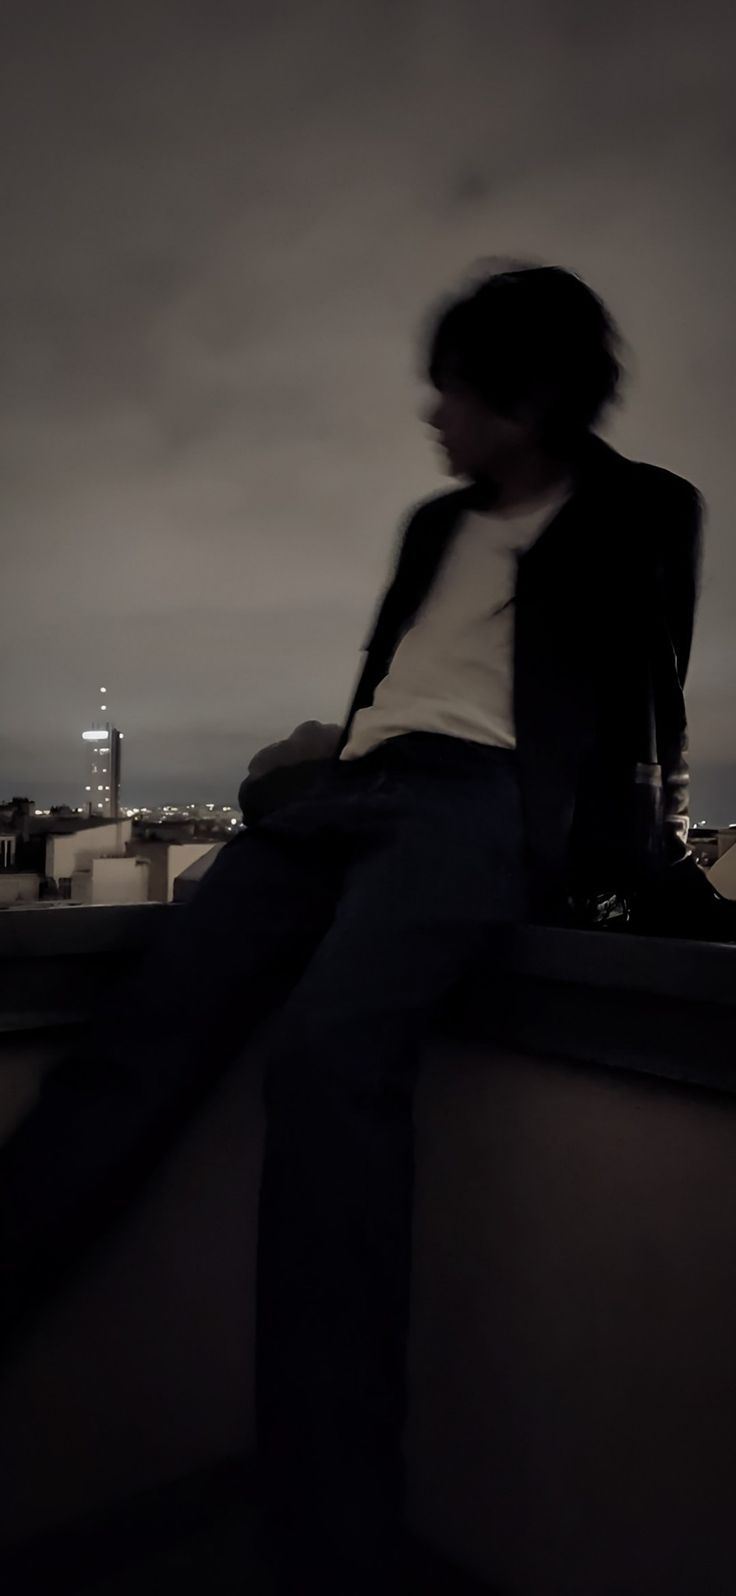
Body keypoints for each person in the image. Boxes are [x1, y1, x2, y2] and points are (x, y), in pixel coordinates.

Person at [0, 264, 710, 1593]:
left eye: (453, 388)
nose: (433, 414)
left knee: (332, 1064)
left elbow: (650, 707)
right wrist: (322, 766)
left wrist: (653, 870)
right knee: (147, 1020)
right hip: (356, 790)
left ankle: (333, 1535)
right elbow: (384, 686)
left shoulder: (645, 511)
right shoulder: (436, 526)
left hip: (481, 804)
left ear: (532, 392)